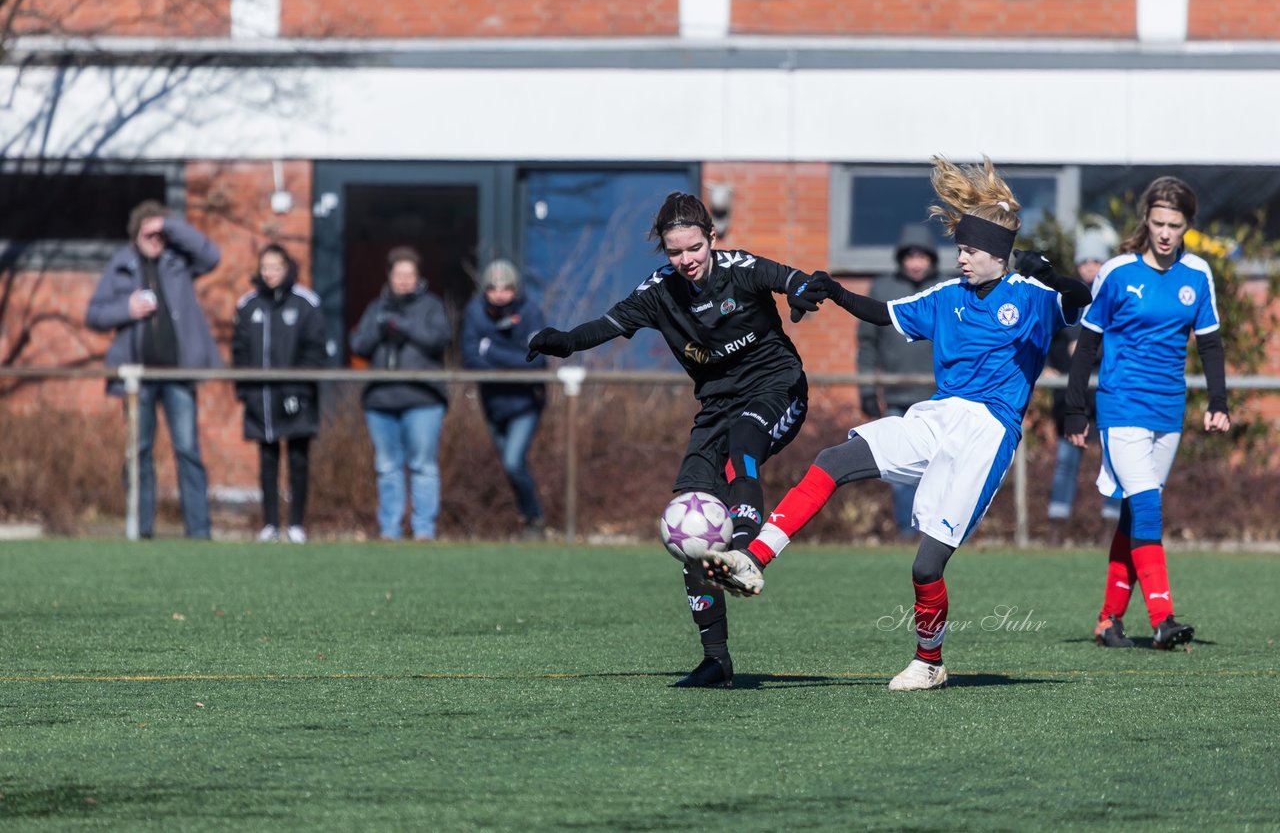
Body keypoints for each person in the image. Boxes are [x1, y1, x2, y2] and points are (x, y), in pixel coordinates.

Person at [706, 156, 1091, 691]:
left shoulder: (1032, 298)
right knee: (833, 460)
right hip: (936, 415)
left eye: (971, 250)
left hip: (986, 433)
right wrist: (835, 291)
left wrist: (1049, 271)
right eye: (959, 248)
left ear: (998, 256)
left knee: (926, 567)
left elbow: (1081, 299)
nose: (960, 258)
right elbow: (883, 312)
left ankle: (929, 660)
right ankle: (755, 557)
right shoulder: (946, 297)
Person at [525, 191, 820, 689]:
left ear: (711, 238)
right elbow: (609, 324)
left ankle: (747, 553)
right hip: (716, 409)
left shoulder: (742, 268)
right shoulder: (659, 290)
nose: (685, 260)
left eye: (694, 248)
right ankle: (716, 659)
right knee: (689, 522)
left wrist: (802, 294)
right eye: (675, 251)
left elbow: (793, 280)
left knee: (745, 440)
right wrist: (566, 341)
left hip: (778, 388)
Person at [1064, 177, 1229, 650]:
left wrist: (1218, 402)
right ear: (1146, 221)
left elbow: (1211, 343)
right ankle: (1163, 619)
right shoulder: (1117, 272)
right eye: (1157, 223)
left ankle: (1108, 620)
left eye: (1174, 225)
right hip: (1121, 406)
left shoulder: (1197, 274)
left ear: (1187, 226)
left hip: (1168, 410)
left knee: (1135, 513)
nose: (1164, 233)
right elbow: (1087, 344)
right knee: (1148, 507)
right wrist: (1076, 410)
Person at [86, 200, 222, 539]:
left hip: (178, 375)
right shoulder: (119, 266)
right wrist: (126, 309)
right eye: (149, 232)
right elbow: (94, 315)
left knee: (188, 451)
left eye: (161, 233)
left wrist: (171, 227)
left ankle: (199, 532)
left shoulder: (180, 263)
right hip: (137, 378)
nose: (156, 239)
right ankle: (140, 529)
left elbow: (212, 255)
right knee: (139, 453)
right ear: (135, 234)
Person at [350, 246, 452, 541]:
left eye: (410, 275)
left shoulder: (431, 307)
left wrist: (405, 327)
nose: (404, 280)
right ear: (390, 276)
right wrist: (380, 330)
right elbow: (358, 345)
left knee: (423, 465)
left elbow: (440, 338)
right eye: (399, 275)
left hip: (423, 399)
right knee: (387, 467)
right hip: (381, 401)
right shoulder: (376, 307)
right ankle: (390, 529)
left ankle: (423, 530)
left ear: (418, 277)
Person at [232, 244, 327, 544]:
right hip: (261, 398)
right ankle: (270, 523)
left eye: (275, 267)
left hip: (297, 396)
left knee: (298, 459)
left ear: (287, 269)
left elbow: (314, 350)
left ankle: (296, 523)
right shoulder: (248, 306)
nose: (270, 273)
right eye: (265, 267)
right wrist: (245, 391)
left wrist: (298, 391)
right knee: (267, 459)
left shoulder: (306, 303)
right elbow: (240, 352)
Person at [857, 223, 945, 540]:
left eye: (922, 255)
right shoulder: (882, 290)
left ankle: (934, 533)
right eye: (910, 256)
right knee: (900, 468)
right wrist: (867, 389)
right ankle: (906, 532)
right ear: (901, 258)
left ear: (932, 258)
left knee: (938, 469)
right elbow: (867, 345)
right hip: (896, 395)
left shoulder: (945, 290)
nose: (916, 262)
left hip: (940, 397)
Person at [460, 259, 549, 539]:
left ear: (516, 290)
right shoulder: (475, 312)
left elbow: (536, 360)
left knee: (513, 462)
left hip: (526, 402)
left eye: (506, 288)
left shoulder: (531, 312)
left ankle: (534, 520)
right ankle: (526, 519)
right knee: (513, 465)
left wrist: (492, 351)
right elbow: (470, 356)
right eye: (493, 288)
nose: (499, 294)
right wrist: (506, 365)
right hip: (493, 403)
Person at [1045, 230, 1121, 544]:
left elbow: (1119, 341)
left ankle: (1111, 526)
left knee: (1114, 461)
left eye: (1096, 260)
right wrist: (1062, 358)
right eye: (1084, 261)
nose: (1089, 266)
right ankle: (1057, 524)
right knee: (1066, 462)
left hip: (1105, 393)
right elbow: (1051, 340)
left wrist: (1090, 349)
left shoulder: (1116, 296)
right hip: (1070, 395)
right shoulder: (1065, 298)